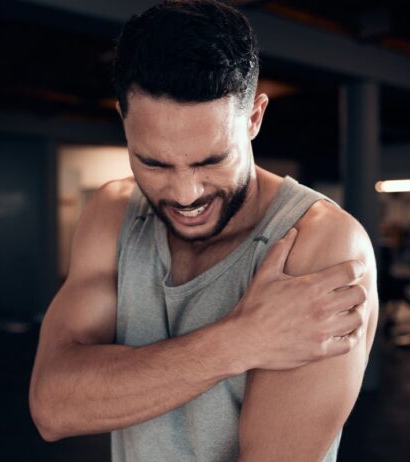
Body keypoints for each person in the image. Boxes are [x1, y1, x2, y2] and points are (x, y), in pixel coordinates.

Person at [29, 1, 378, 461]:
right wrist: (242, 340)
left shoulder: (320, 243)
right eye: (152, 163)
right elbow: (54, 407)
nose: (185, 193)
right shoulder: (113, 213)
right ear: (123, 120)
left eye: (211, 161)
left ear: (253, 118)